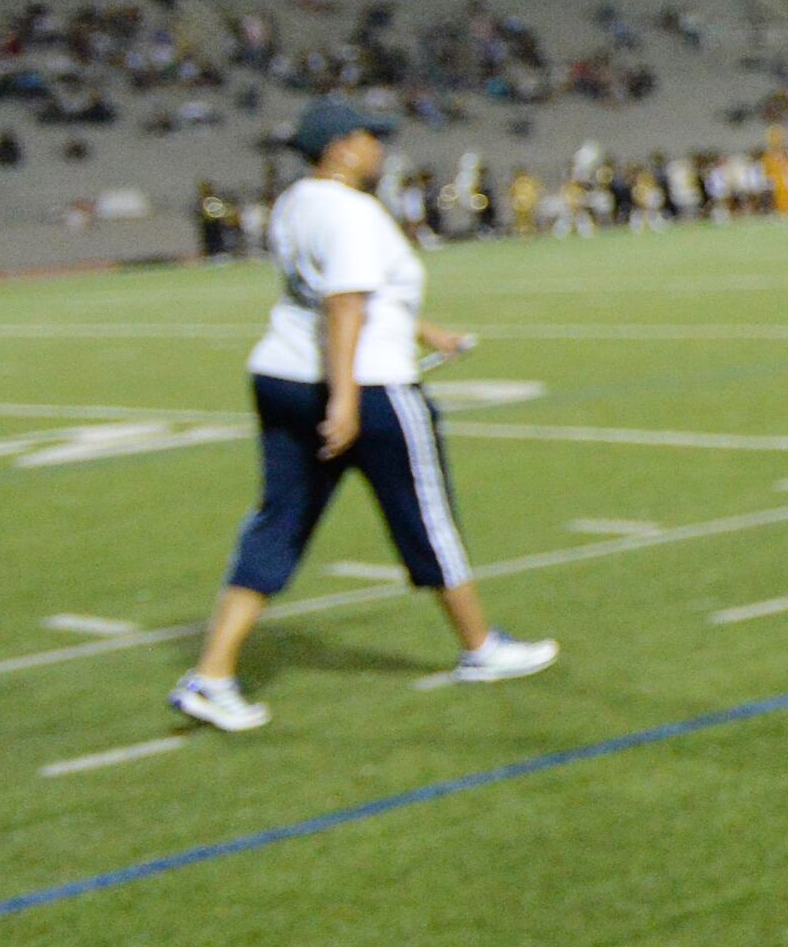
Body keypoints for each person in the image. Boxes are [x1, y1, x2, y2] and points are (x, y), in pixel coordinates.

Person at [168, 96, 558, 733]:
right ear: (342, 146)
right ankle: (481, 648)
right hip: (366, 386)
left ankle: (211, 675)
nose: (382, 149)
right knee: (426, 518)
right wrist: (346, 399)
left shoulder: (298, 201)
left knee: (278, 523)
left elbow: (337, 292)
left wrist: (428, 333)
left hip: (282, 374)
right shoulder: (352, 211)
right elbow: (345, 303)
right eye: (372, 139)